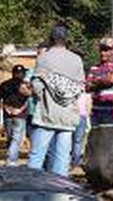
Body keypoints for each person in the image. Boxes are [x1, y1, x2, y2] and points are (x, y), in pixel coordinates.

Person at [27, 26, 85, 176]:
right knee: (62, 157)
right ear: (66, 40)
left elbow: (36, 85)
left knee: (37, 156)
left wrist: (45, 97)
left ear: (51, 39)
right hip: (68, 116)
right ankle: (58, 192)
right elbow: (81, 86)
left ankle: (32, 187)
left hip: (47, 114)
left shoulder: (44, 58)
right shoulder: (76, 59)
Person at [0, 64, 32, 165]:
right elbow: (29, 99)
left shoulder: (5, 84)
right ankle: (11, 160)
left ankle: (11, 159)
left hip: (9, 115)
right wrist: (19, 110)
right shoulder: (26, 85)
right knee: (15, 139)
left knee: (11, 138)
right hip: (19, 116)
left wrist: (5, 108)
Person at [86, 37, 113, 126]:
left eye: (106, 50)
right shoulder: (94, 68)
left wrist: (96, 82)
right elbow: (87, 87)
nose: (102, 53)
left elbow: (112, 80)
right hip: (96, 110)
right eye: (101, 50)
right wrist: (101, 82)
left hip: (112, 109)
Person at [71, 90, 91, 169]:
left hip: (72, 115)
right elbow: (89, 106)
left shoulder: (72, 91)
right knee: (78, 141)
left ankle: (69, 160)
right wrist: (87, 116)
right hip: (82, 116)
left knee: (69, 139)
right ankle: (75, 162)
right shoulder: (86, 92)